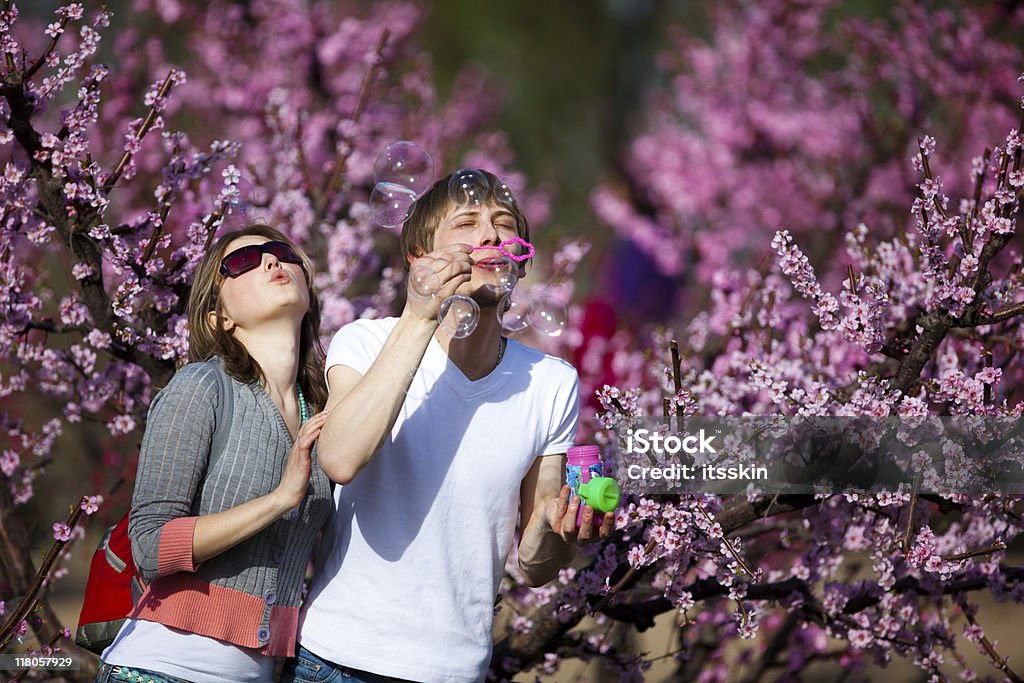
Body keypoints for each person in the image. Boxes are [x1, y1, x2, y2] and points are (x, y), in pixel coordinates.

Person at [285, 171, 614, 683]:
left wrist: (558, 527)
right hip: (335, 660)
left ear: (521, 258)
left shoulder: (551, 382)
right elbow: (340, 459)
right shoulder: (366, 342)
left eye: (504, 225)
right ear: (418, 257)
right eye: (467, 223)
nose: (490, 236)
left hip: (456, 671)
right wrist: (420, 315)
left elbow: (536, 563)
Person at [96, 225, 333, 683]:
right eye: (242, 262)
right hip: (160, 670)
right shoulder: (202, 387)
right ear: (218, 318)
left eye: (282, 253)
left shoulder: (324, 411)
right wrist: (281, 498)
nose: (271, 262)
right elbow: (149, 544)